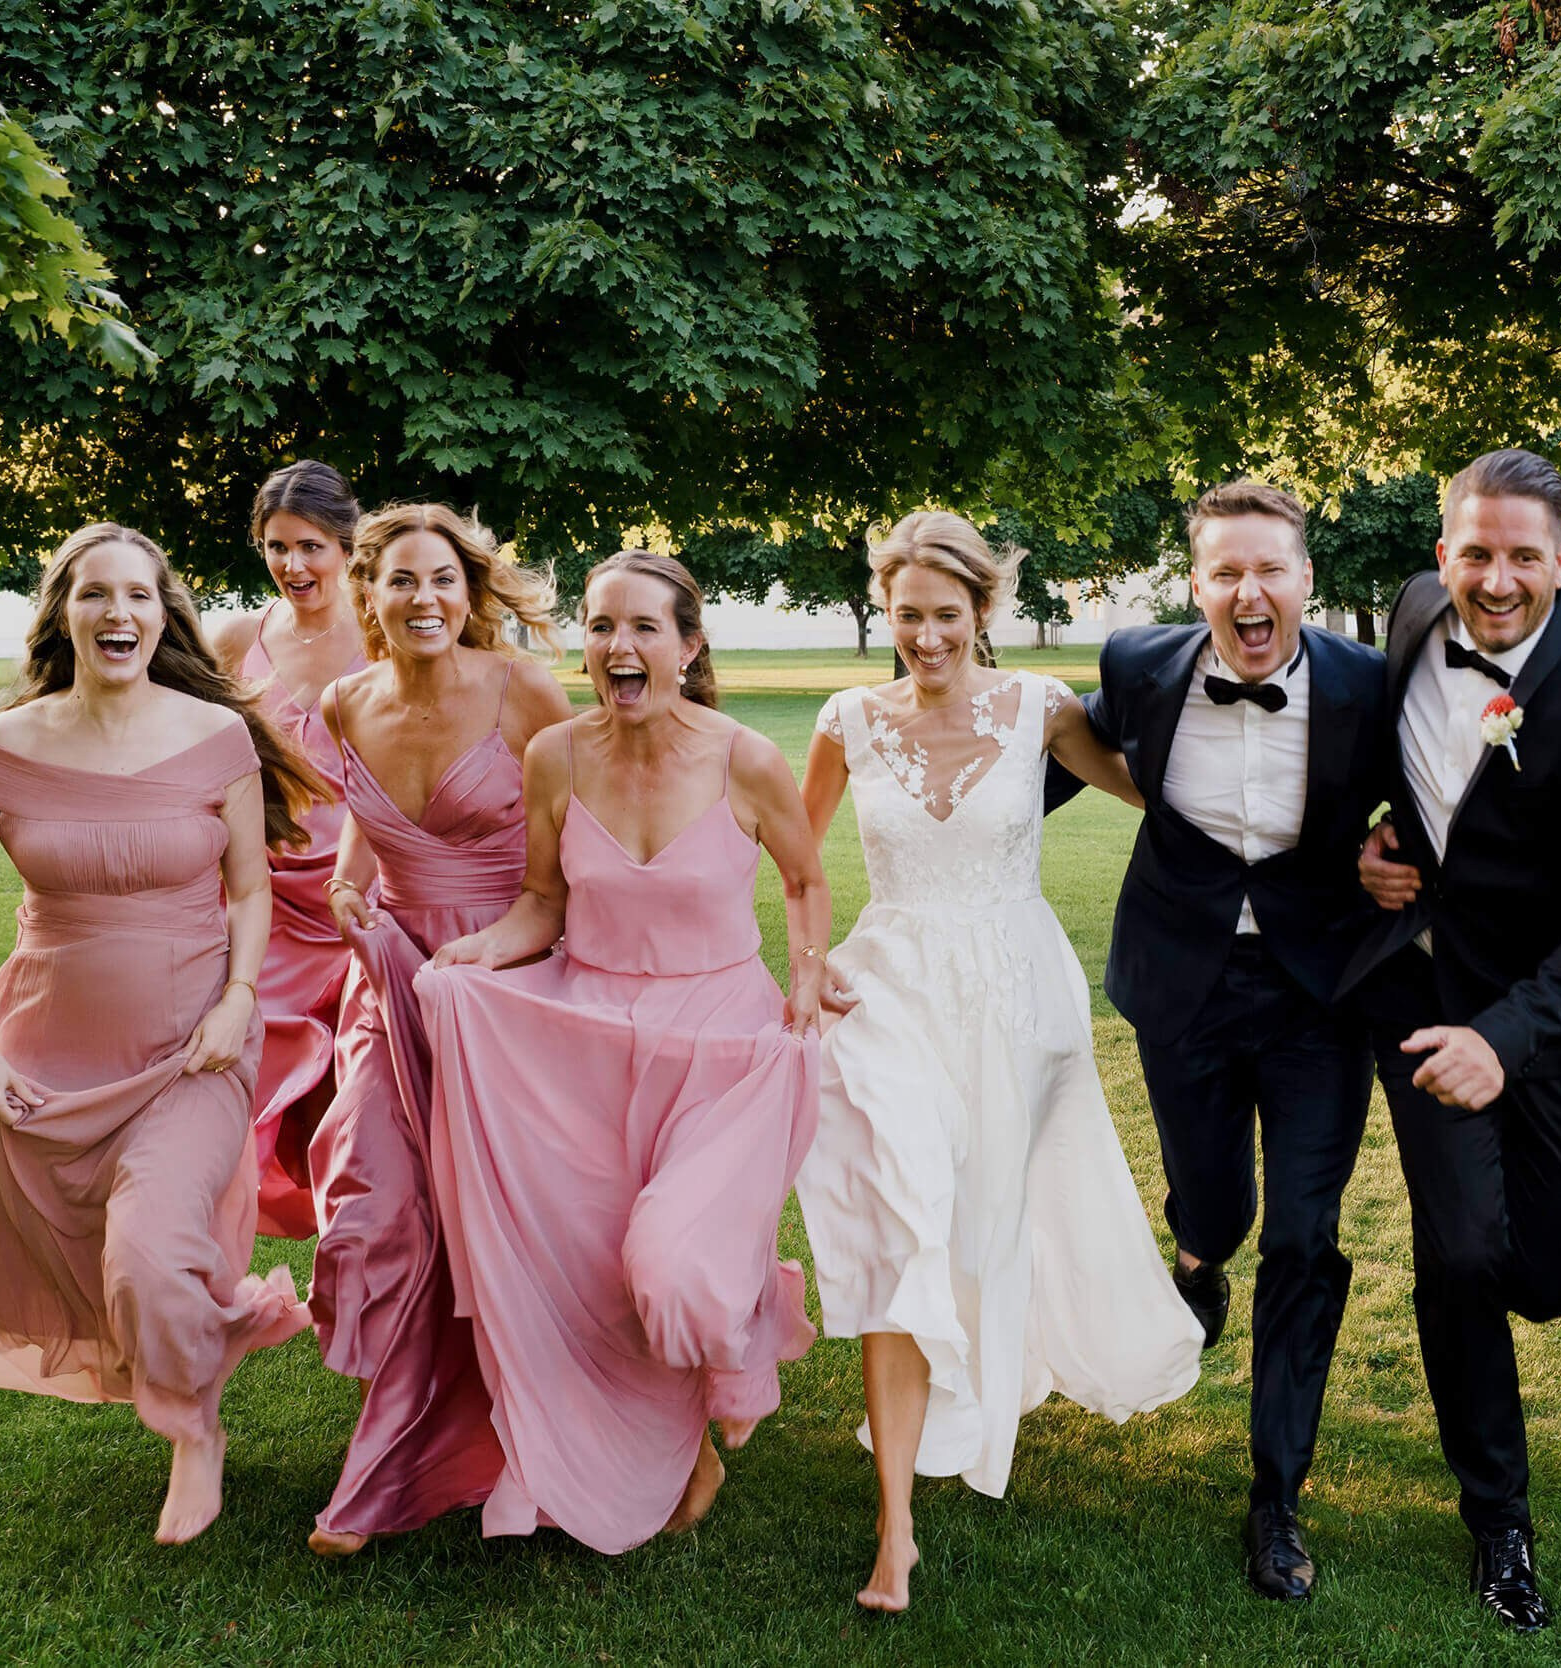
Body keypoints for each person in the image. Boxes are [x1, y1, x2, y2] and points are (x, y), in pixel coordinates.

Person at [797, 510, 1202, 1613]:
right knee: (901, 1228)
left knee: (982, 1226)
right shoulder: (845, 718)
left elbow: (1157, 795)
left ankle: (972, 1387)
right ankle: (896, 1531)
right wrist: (803, 958)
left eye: (945, 615)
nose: (924, 637)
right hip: (890, 992)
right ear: (883, 610)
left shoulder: (1040, 709)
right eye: (905, 615)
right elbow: (791, 854)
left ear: (982, 612)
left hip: (1019, 999)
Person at [417, 550, 829, 1556]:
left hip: (722, 1052)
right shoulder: (554, 754)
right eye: (602, 627)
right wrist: (474, 955)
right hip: (585, 1041)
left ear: (688, 647)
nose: (618, 646)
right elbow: (545, 902)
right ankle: (657, 1452)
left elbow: (806, 882)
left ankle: (724, 1373)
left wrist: (808, 973)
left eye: (644, 627)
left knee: (675, 1269)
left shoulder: (746, 759)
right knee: (588, 1273)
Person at [0, 523, 322, 1543]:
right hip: (45, 1055)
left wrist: (240, 1000)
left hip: (193, 1045)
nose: (119, 613)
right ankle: (192, 1344)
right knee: (44, 1248)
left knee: (148, 1257)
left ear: (164, 613)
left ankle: (195, 1427)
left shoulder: (213, 735)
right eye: (96, 595)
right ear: (63, 612)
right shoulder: (5, 747)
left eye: (139, 596)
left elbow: (247, 890)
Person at [1349, 448, 1561, 1632]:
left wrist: (1510, 1035)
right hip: (1421, 1004)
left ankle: (1536, 1286)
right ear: (1442, 556)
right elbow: (1393, 775)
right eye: (1474, 552)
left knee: (1537, 1278)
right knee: (1461, 1257)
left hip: (1554, 1030)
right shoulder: (1408, 617)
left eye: (1521, 557)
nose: (1494, 579)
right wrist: (1372, 848)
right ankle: (1499, 1520)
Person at [1056, 482, 1390, 1600]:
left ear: (1305, 577)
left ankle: (1276, 1497)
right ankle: (1198, 1256)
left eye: (1270, 570)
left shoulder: (1371, 687)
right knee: (1218, 1204)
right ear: (1194, 584)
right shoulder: (1135, 666)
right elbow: (1049, 760)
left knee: (1303, 1232)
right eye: (1224, 573)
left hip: (1318, 995)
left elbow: (1441, 803)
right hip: (1182, 982)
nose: (1249, 593)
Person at [303, 504, 569, 1555]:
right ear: (367, 594)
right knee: (379, 1209)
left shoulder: (523, 693)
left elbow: (574, 838)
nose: (424, 599)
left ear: (471, 592)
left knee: (504, 1233)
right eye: (402, 581)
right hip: (391, 982)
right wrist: (341, 885)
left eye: (443, 580)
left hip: (509, 985)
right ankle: (393, 1454)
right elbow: (368, 831)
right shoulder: (341, 700)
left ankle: (528, 1447)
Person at [209, 461, 369, 1238]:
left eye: (310, 546)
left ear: (346, 545)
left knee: (369, 1104)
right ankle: (208, 1258)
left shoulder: (387, 633)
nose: (292, 566)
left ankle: (366, 1260)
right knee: (230, 1088)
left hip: (355, 898)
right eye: (275, 547)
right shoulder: (235, 638)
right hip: (260, 896)